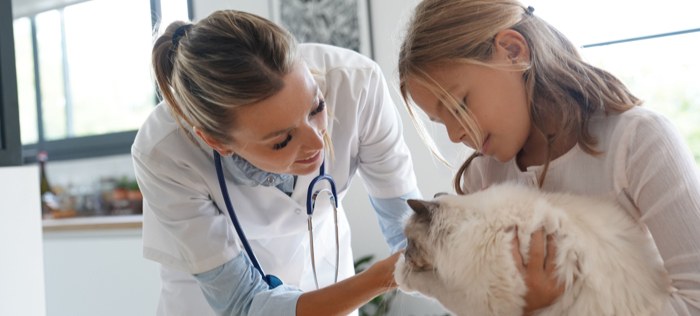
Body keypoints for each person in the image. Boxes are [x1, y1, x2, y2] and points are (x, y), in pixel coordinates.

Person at [398, 0, 700, 315]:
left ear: (514, 52)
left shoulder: (638, 141)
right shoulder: (484, 176)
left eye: (459, 105)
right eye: (440, 121)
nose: (454, 135)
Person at [132, 10, 421, 316]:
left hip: (325, 274)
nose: (316, 143)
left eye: (317, 107)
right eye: (281, 140)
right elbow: (243, 303)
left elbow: (405, 227)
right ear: (216, 142)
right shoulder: (164, 152)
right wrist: (378, 279)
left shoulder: (356, 84)